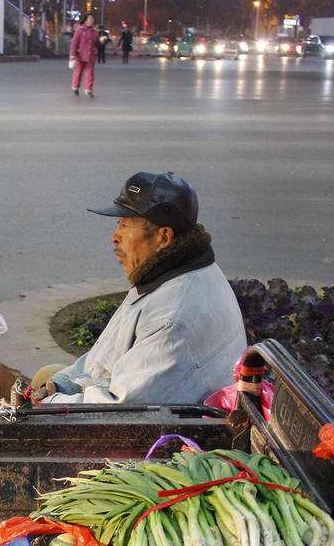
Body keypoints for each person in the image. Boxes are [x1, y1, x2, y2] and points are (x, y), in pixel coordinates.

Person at [31, 171, 247, 405]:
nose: (115, 236)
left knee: (36, 400)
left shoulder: (172, 319)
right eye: (118, 224)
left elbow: (122, 410)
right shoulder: (167, 271)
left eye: (125, 225)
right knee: (48, 375)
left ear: (163, 237)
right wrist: (63, 384)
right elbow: (104, 357)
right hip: (136, 398)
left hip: (160, 428)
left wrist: (51, 403)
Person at [69, 13, 98, 97]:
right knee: (78, 72)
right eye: (90, 19)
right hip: (80, 55)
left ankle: (88, 90)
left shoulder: (94, 31)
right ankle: (75, 87)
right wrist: (72, 55)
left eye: (92, 19)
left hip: (90, 55)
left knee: (90, 73)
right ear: (85, 20)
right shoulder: (80, 30)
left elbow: (97, 43)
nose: (92, 20)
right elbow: (74, 43)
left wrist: (102, 41)